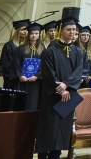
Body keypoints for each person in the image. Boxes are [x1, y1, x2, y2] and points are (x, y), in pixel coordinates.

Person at [35, 15, 85, 159]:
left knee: (62, 129)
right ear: (61, 31)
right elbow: (48, 72)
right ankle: (43, 156)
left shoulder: (78, 52)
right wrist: (60, 88)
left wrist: (66, 85)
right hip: (51, 96)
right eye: (68, 29)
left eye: (74, 30)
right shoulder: (50, 50)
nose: (71, 32)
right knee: (48, 128)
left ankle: (55, 156)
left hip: (67, 97)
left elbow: (78, 72)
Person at [14, 22, 43, 110]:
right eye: (32, 33)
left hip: (35, 83)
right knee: (20, 104)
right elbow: (16, 63)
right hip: (22, 82)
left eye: (36, 33)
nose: (34, 35)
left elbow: (46, 65)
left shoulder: (43, 49)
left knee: (32, 104)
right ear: (28, 34)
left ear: (39, 35)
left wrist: (37, 76)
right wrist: (20, 75)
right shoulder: (20, 49)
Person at [1, 19, 29, 90]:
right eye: (23, 29)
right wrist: (18, 75)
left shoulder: (28, 46)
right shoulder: (9, 45)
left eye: (27, 30)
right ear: (17, 31)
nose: (25, 32)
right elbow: (6, 64)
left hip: (26, 80)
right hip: (13, 80)